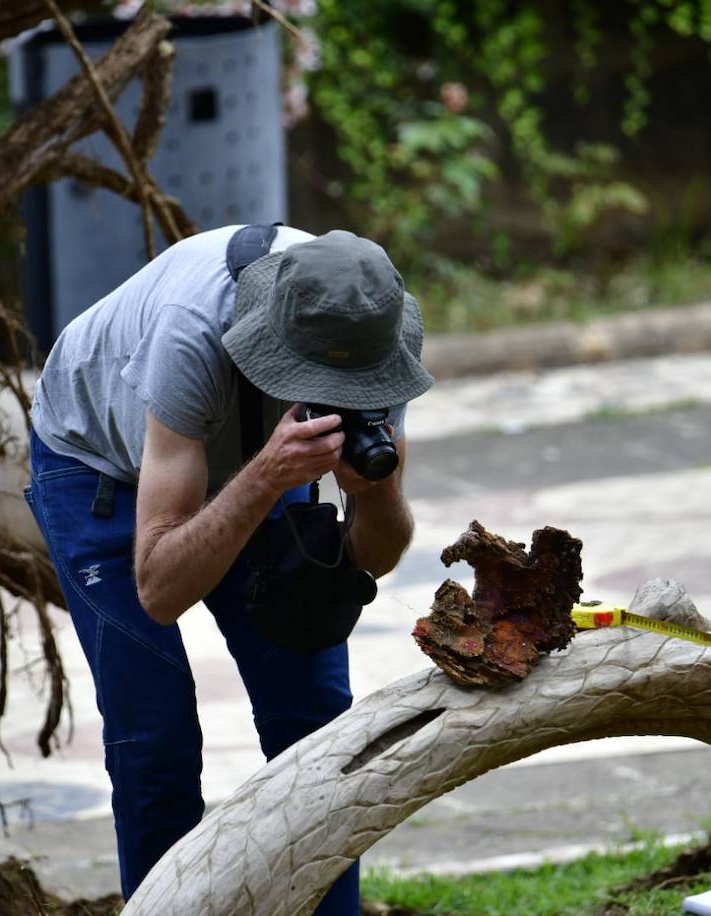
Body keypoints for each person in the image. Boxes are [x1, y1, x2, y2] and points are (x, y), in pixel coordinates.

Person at [25, 223, 434, 912]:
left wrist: (377, 485)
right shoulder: (195, 334)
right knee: (155, 739)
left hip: (258, 459)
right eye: (316, 382)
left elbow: (375, 558)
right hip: (100, 463)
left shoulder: (374, 336)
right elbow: (158, 588)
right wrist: (265, 479)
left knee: (318, 732)